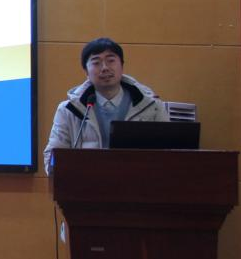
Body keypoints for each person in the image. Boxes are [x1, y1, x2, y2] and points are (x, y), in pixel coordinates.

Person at [43, 37, 168, 173]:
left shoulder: (152, 107)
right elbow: (52, 160)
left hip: (138, 183)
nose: (104, 68)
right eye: (96, 63)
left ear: (122, 66)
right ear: (86, 72)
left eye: (111, 61)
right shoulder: (68, 110)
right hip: (87, 183)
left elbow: (169, 155)